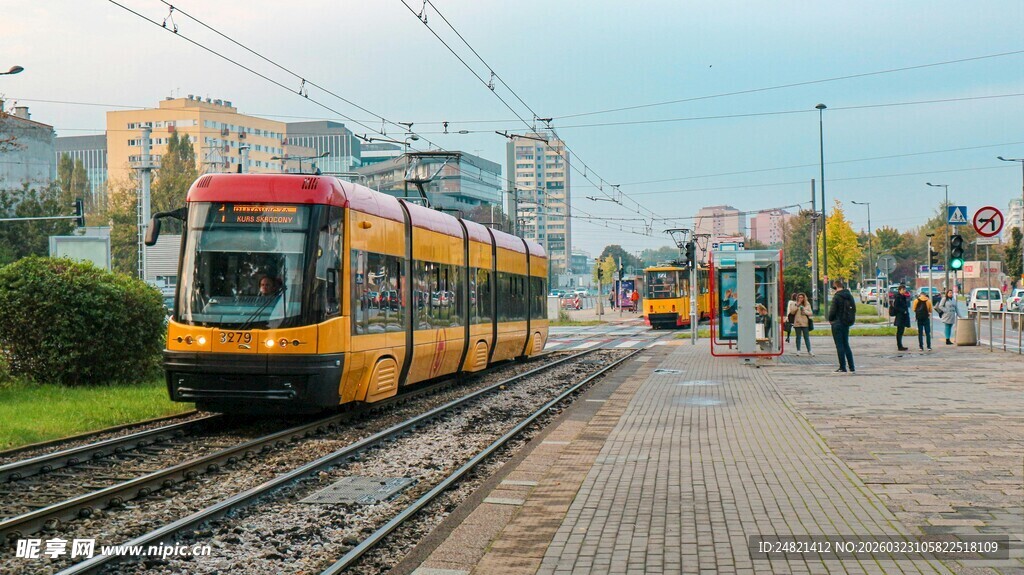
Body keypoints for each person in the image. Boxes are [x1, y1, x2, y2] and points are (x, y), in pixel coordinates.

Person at [827, 279, 856, 373]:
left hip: (837, 323)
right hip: (846, 323)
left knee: (839, 345)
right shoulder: (849, 296)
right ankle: (852, 367)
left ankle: (842, 367)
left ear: (835, 287)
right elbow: (854, 309)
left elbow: (832, 311)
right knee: (846, 344)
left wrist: (830, 319)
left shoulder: (837, 297)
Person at [892, 284, 911, 351]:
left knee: (901, 331)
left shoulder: (903, 297)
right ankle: (899, 346)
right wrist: (903, 311)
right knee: (899, 331)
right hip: (900, 316)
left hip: (903, 316)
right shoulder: (898, 297)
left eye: (905, 289)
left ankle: (900, 345)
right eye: (903, 289)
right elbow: (896, 307)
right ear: (900, 290)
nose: (905, 290)